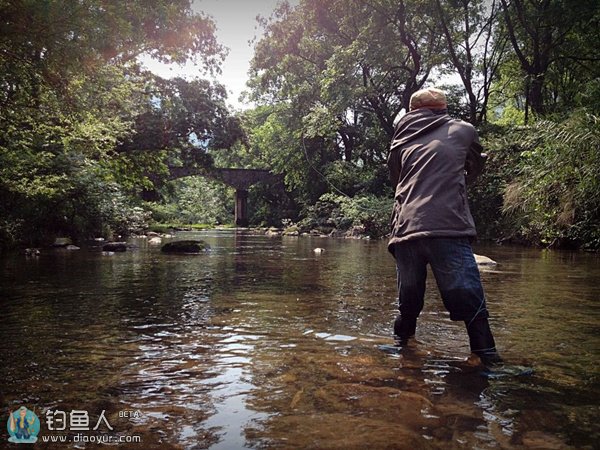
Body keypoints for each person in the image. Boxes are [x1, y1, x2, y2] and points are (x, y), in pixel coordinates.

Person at [387, 87, 502, 367]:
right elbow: (475, 164)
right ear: (443, 109)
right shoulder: (463, 130)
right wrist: (458, 182)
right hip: (447, 226)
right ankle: (487, 360)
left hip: (406, 228)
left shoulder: (399, 140)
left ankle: (404, 355)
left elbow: (396, 180)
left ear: (413, 112)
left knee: (408, 302)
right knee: (468, 296)